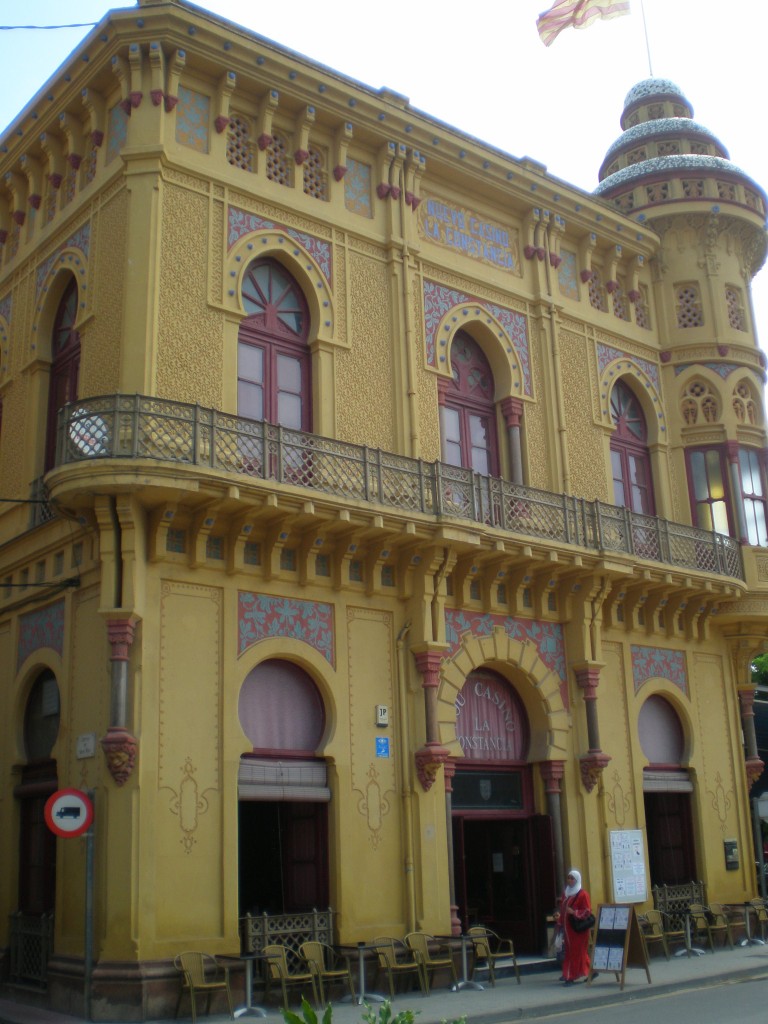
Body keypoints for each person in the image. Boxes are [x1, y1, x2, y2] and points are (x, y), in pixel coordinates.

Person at [554, 868, 592, 984]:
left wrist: (574, 912)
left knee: (575, 952)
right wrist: (560, 922)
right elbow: (563, 909)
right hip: (567, 929)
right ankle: (591, 971)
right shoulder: (566, 893)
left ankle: (570, 976)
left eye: (572, 878)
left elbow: (587, 911)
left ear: (577, 880)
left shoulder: (583, 894)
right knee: (575, 952)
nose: (569, 880)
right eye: (568, 878)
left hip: (578, 930)